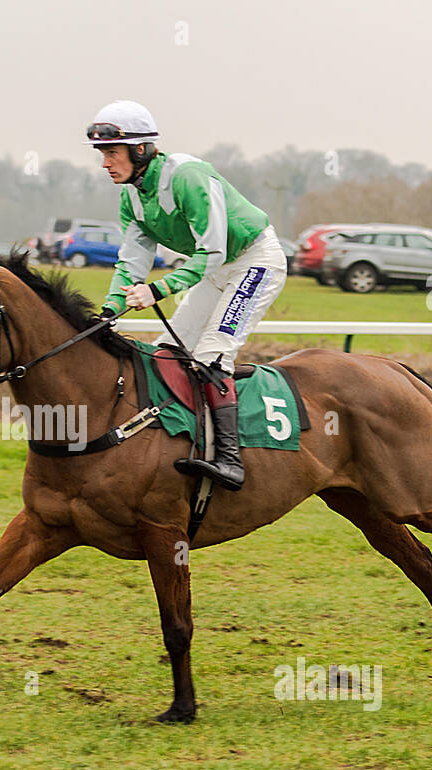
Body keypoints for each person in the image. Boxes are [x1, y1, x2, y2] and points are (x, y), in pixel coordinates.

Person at [88, 99, 288, 491]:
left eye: (112, 152)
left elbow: (211, 252)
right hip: (213, 273)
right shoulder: (131, 196)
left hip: (254, 261)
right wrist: (108, 310)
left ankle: (230, 460)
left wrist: (159, 290)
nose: (105, 163)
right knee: (168, 354)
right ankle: (182, 440)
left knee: (212, 355)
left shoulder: (188, 176)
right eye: (103, 154)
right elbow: (130, 263)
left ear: (140, 149)